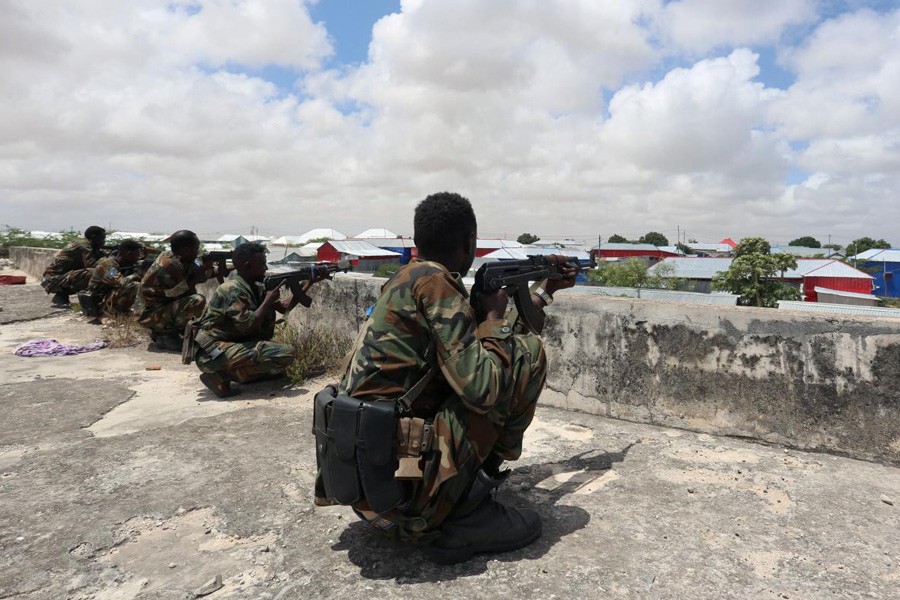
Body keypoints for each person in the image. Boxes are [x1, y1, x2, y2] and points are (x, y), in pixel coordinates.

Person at [314, 192, 576, 564]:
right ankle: (466, 510)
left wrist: (543, 293)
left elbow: (469, 348)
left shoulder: (408, 279)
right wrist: (493, 318)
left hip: (370, 490)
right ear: (470, 241)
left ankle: (452, 494)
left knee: (505, 355)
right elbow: (484, 388)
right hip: (407, 504)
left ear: (418, 241)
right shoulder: (437, 285)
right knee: (526, 356)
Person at [193, 241, 327, 398]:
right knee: (285, 353)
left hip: (231, 345)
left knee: (276, 363)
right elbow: (248, 326)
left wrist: (309, 281)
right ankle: (219, 377)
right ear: (248, 265)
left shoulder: (255, 285)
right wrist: (267, 301)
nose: (266, 268)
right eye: (262, 264)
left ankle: (238, 375)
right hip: (212, 353)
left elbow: (284, 307)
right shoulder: (232, 289)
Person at [139, 230, 217, 352]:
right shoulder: (170, 265)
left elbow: (202, 274)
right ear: (186, 250)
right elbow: (179, 292)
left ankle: (165, 331)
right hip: (151, 315)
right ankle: (165, 335)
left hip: (160, 311)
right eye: (196, 249)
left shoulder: (179, 259)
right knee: (196, 300)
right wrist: (198, 276)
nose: (197, 253)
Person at [41, 226, 107, 307]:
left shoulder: (89, 246)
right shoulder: (84, 245)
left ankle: (61, 296)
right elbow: (93, 265)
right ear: (93, 237)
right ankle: (84, 298)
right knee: (93, 273)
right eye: (102, 239)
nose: (104, 242)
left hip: (59, 278)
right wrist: (111, 258)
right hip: (52, 281)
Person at [85, 239, 145, 320]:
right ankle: (113, 313)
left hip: (106, 299)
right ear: (128, 253)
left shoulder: (124, 265)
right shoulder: (107, 264)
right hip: (99, 304)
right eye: (137, 255)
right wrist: (135, 275)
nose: (138, 258)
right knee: (135, 286)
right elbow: (120, 282)